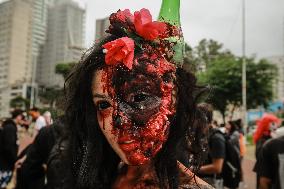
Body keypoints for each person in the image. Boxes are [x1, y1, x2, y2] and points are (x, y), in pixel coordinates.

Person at [62, 8, 212, 189]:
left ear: (172, 100)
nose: (119, 122)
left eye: (139, 97)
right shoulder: (99, 175)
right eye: (103, 104)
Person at [198, 103, 226, 188]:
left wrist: (191, 170)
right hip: (200, 181)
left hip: (210, 183)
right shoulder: (202, 135)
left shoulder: (216, 138)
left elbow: (217, 167)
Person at [0, 109, 24, 189]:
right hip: (4, 165)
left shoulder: (10, 127)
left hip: (5, 164)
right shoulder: (10, 128)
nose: (24, 120)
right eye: (23, 117)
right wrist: (15, 160)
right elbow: (8, 147)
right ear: (18, 117)